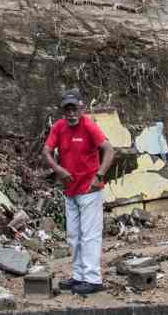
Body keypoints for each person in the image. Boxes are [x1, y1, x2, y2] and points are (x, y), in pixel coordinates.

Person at [42, 90, 115, 296]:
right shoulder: (59, 127)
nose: (71, 113)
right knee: (74, 235)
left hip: (89, 189)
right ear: (63, 111)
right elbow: (46, 151)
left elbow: (109, 150)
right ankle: (78, 276)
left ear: (81, 108)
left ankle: (93, 279)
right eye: (67, 109)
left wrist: (99, 175)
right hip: (70, 189)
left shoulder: (89, 126)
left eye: (74, 109)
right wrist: (58, 169)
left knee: (90, 235)